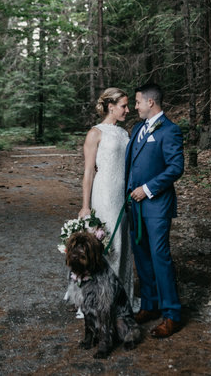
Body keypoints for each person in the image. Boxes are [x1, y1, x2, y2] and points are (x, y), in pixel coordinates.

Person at [125, 83, 184, 338]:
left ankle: (171, 314)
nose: (134, 107)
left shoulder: (170, 130)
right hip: (134, 205)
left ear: (151, 102)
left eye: (137, 102)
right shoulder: (138, 129)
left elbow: (175, 168)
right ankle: (150, 304)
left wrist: (147, 188)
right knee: (142, 255)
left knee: (160, 257)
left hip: (157, 204)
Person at [78, 87, 133, 304]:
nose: (128, 110)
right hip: (104, 195)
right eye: (123, 106)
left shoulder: (124, 133)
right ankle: (98, 297)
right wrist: (85, 206)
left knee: (122, 243)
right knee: (106, 243)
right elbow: (89, 171)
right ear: (111, 107)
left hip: (122, 195)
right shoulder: (95, 133)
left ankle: (120, 297)